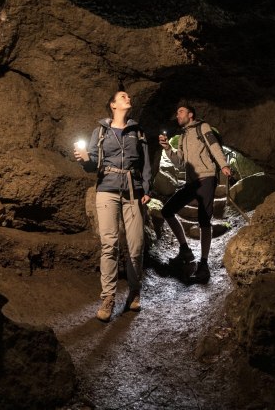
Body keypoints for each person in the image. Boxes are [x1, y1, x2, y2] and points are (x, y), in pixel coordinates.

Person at [75, 90, 151, 322]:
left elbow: (146, 162)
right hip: (107, 189)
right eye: (123, 97)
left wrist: (146, 189)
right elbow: (93, 166)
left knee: (136, 246)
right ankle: (108, 297)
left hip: (133, 191)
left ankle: (134, 291)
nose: (128, 98)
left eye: (128, 97)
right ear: (113, 105)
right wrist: (85, 160)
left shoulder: (137, 132)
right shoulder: (100, 132)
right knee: (109, 245)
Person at [158, 104, 231, 283]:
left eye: (180, 112)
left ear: (190, 115)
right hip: (191, 182)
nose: (177, 115)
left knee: (204, 220)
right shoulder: (182, 136)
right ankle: (185, 249)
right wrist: (168, 148)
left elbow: (214, 146)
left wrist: (223, 165)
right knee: (167, 210)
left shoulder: (202, 127)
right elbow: (180, 163)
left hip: (206, 178)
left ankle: (204, 264)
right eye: (177, 113)